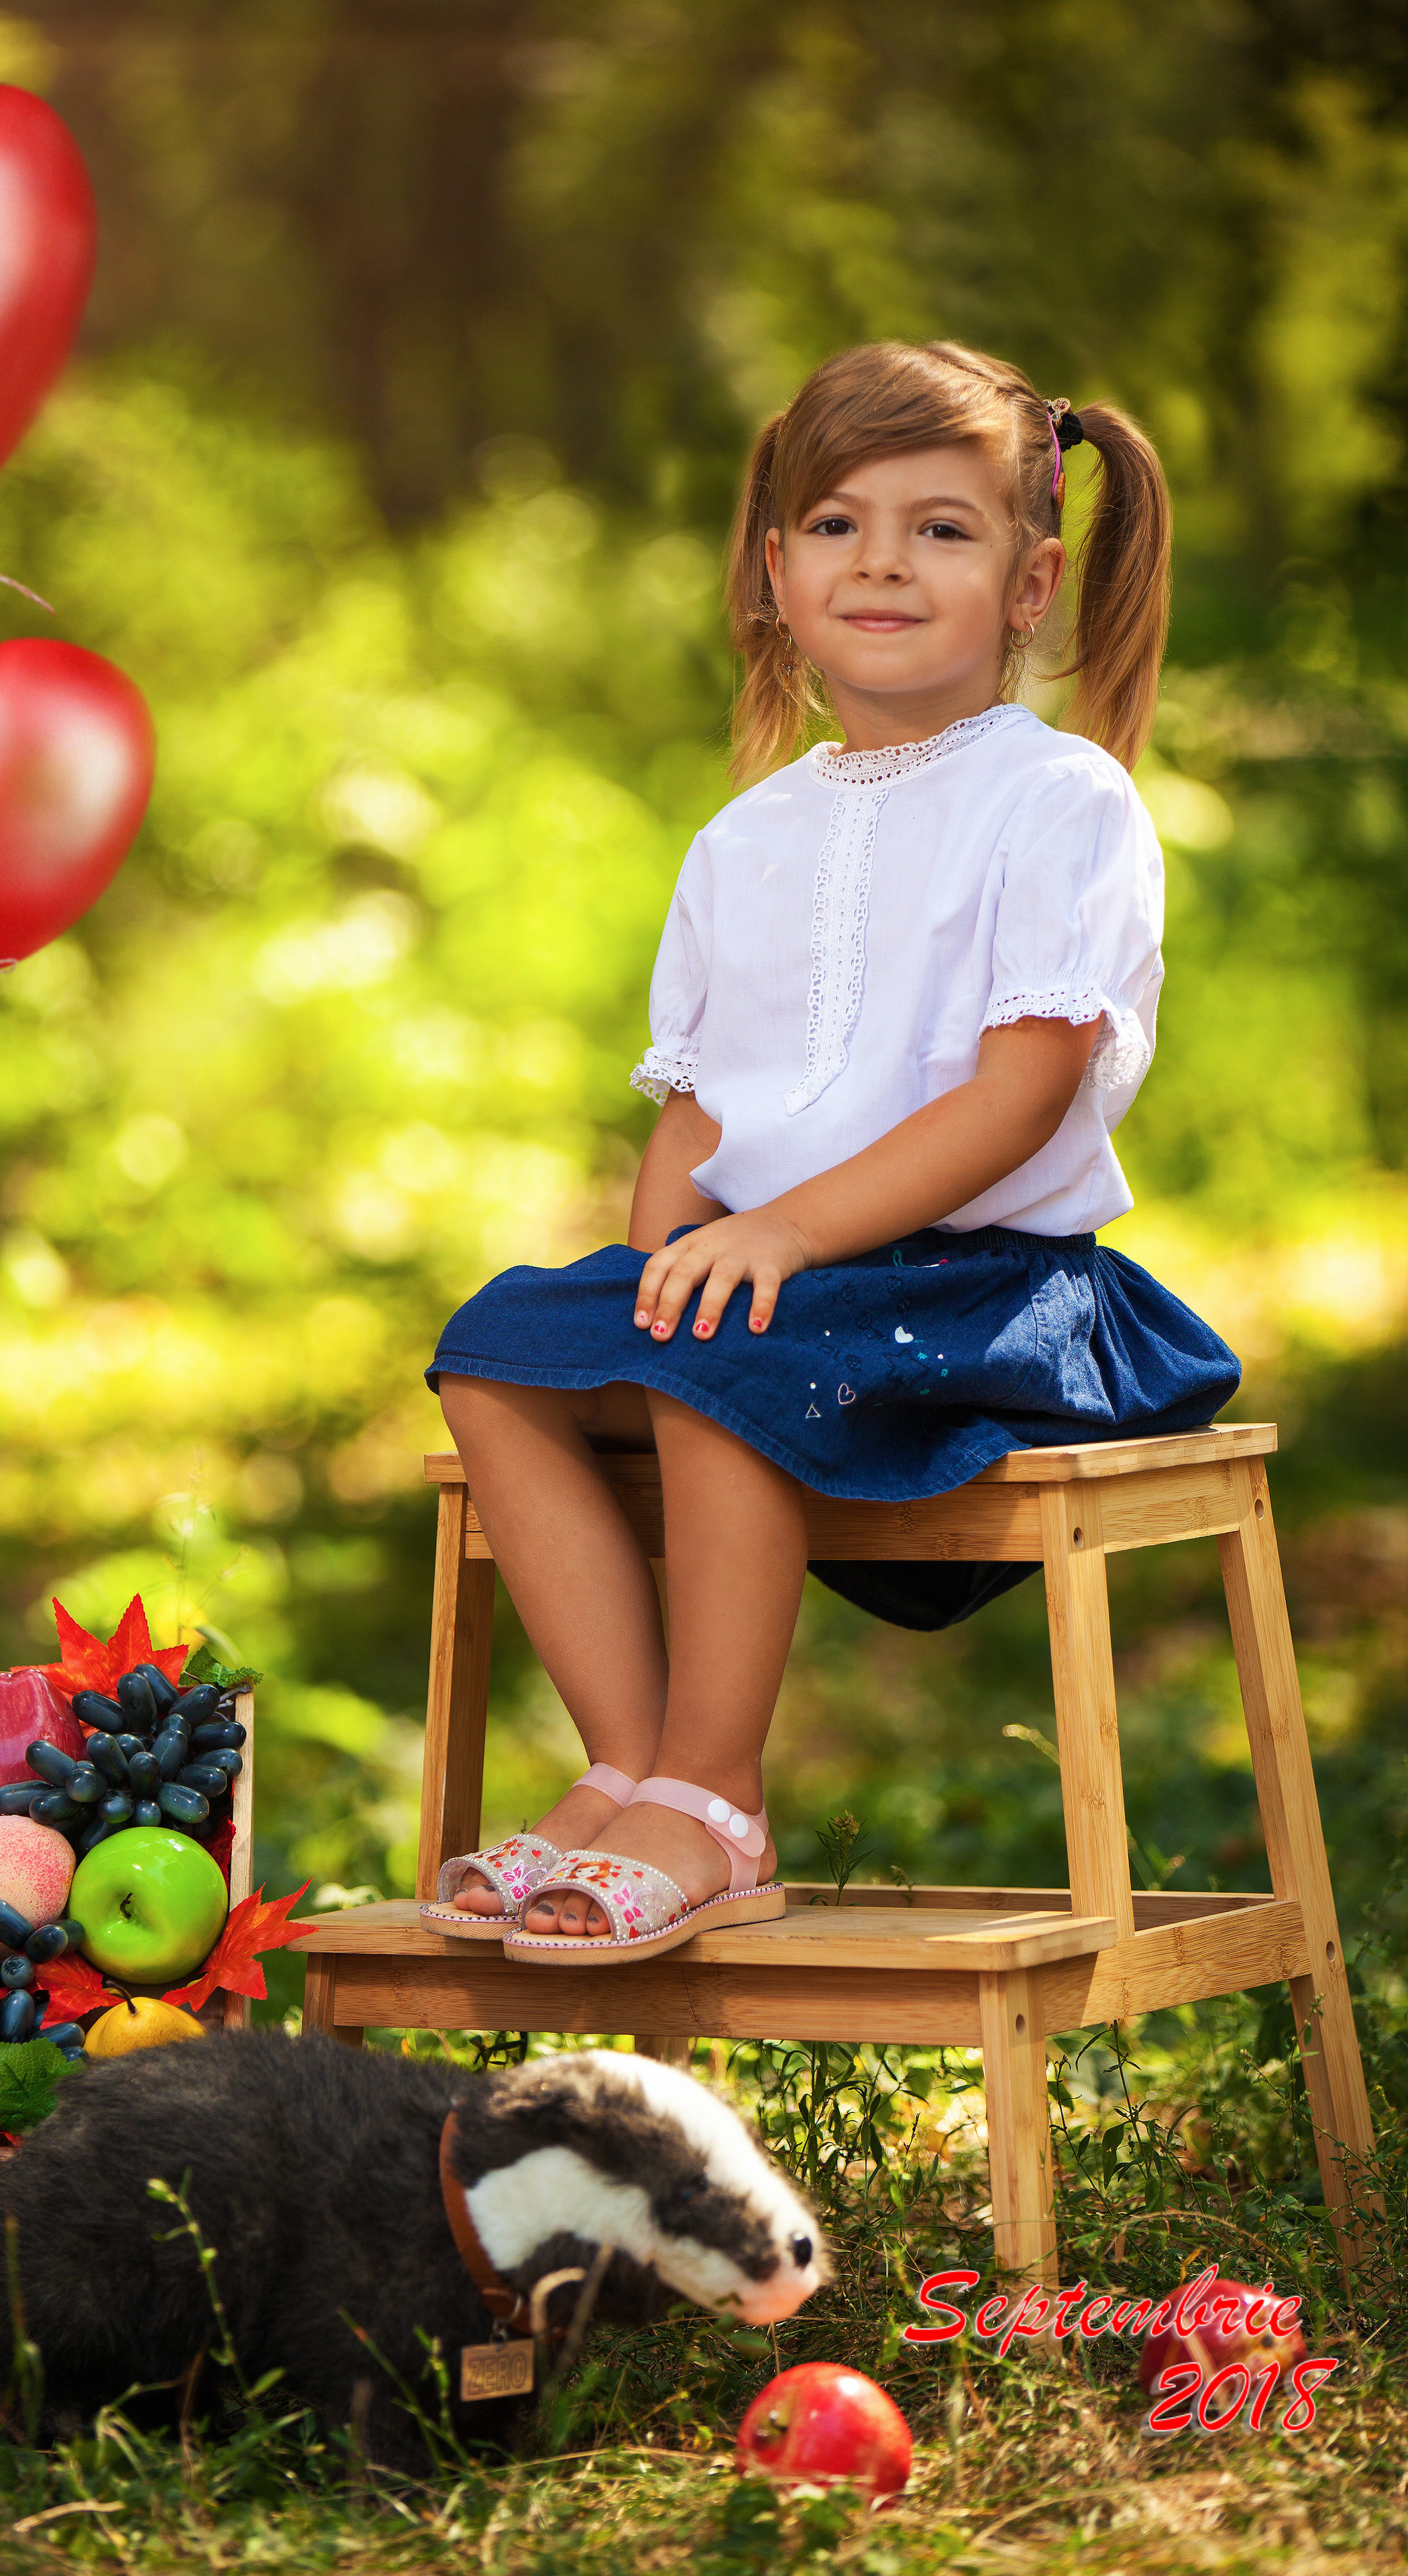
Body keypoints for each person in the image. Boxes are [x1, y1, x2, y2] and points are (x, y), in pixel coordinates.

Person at [421, 339, 1239, 1963]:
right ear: (772, 572)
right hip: (781, 1273)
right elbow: (702, 1107)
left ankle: (717, 1801)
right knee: (498, 1345)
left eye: (939, 529)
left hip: (989, 1283)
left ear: (1030, 581)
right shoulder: (747, 836)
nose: (879, 562)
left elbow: (1015, 1099)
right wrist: (659, 1262)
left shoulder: (1057, 800)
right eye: (834, 525)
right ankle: (628, 1758)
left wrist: (776, 1243)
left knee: (730, 1339)